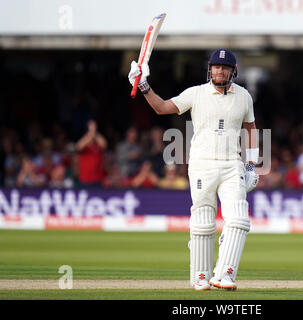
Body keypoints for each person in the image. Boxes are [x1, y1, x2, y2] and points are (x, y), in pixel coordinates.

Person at [128, 49, 259, 291]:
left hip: (232, 164)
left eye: (225, 67)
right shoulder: (196, 93)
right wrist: (143, 85)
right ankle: (201, 277)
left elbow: (251, 131)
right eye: (216, 67)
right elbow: (162, 107)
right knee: (203, 222)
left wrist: (251, 165)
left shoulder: (244, 96)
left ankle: (225, 274)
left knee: (239, 219)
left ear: (233, 70)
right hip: (202, 164)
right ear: (210, 69)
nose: (220, 71)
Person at [75, 120, 107, 187]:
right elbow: (78, 146)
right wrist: (90, 134)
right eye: (91, 128)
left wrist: (94, 133)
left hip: (98, 179)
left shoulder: (98, 145)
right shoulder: (85, 146)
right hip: (85, 180)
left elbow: (104, 144)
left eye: (94, 127)